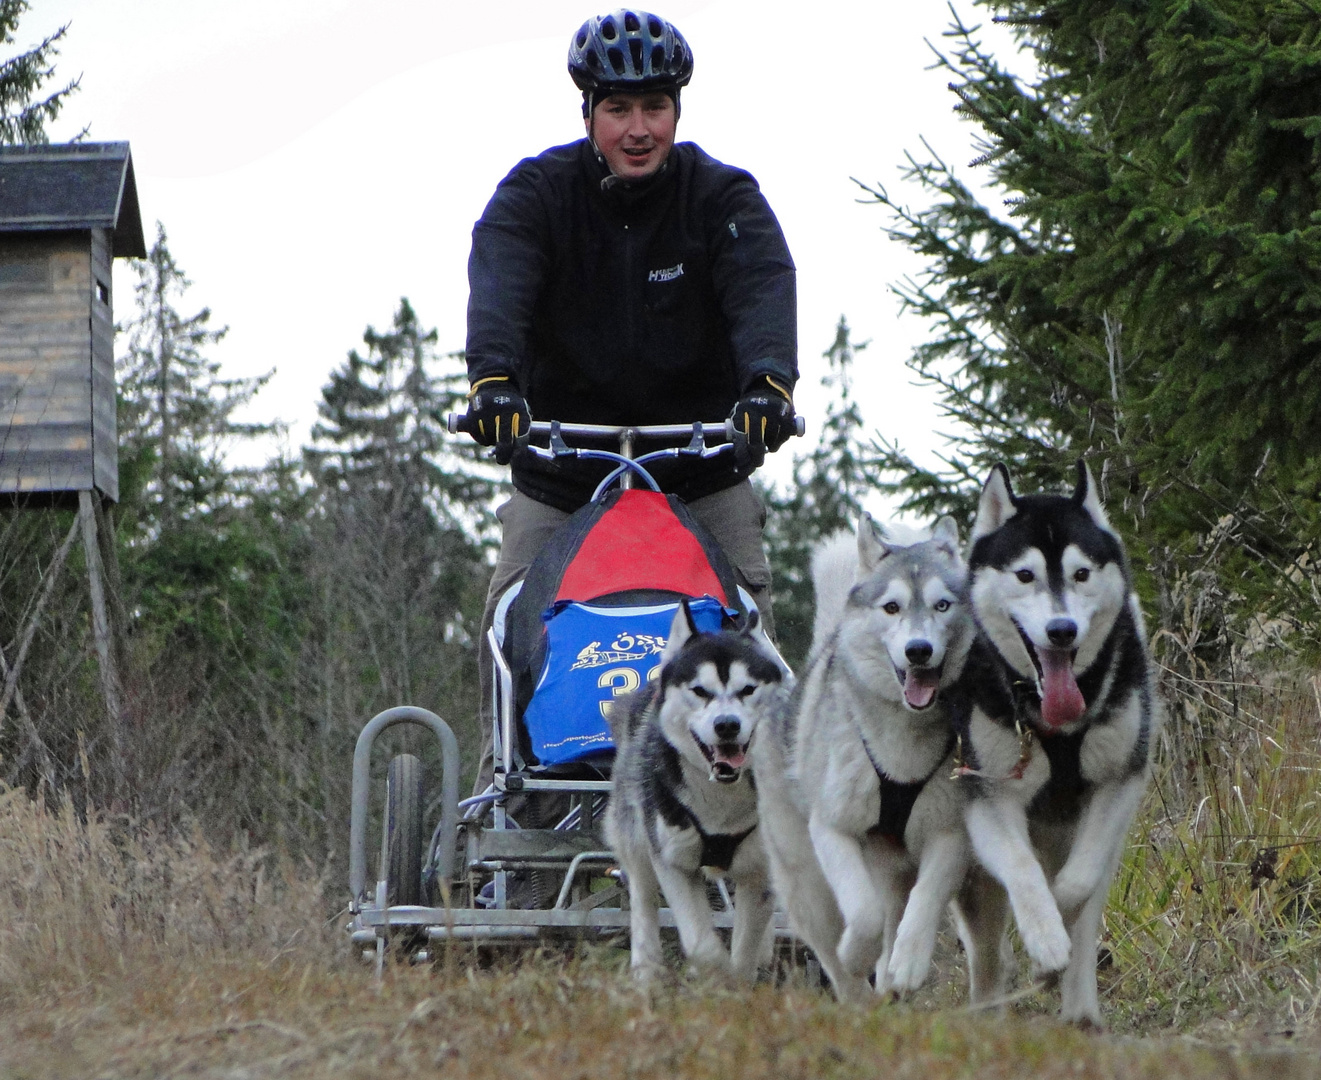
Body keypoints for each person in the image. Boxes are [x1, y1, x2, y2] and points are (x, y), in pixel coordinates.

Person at [463, 8, 798, 791]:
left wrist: (766, 387)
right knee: (508, 624)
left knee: (751, 624)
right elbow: (502, 277)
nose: (638, 128)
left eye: (654, 107)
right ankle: (509, 796)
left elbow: (760, 288)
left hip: (699, 471)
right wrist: (494, 382)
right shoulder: (537, 195)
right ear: (588, 113)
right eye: (618, 109)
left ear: (677, 109)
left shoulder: (721, 200)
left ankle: (771, 803)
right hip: (561, 472)